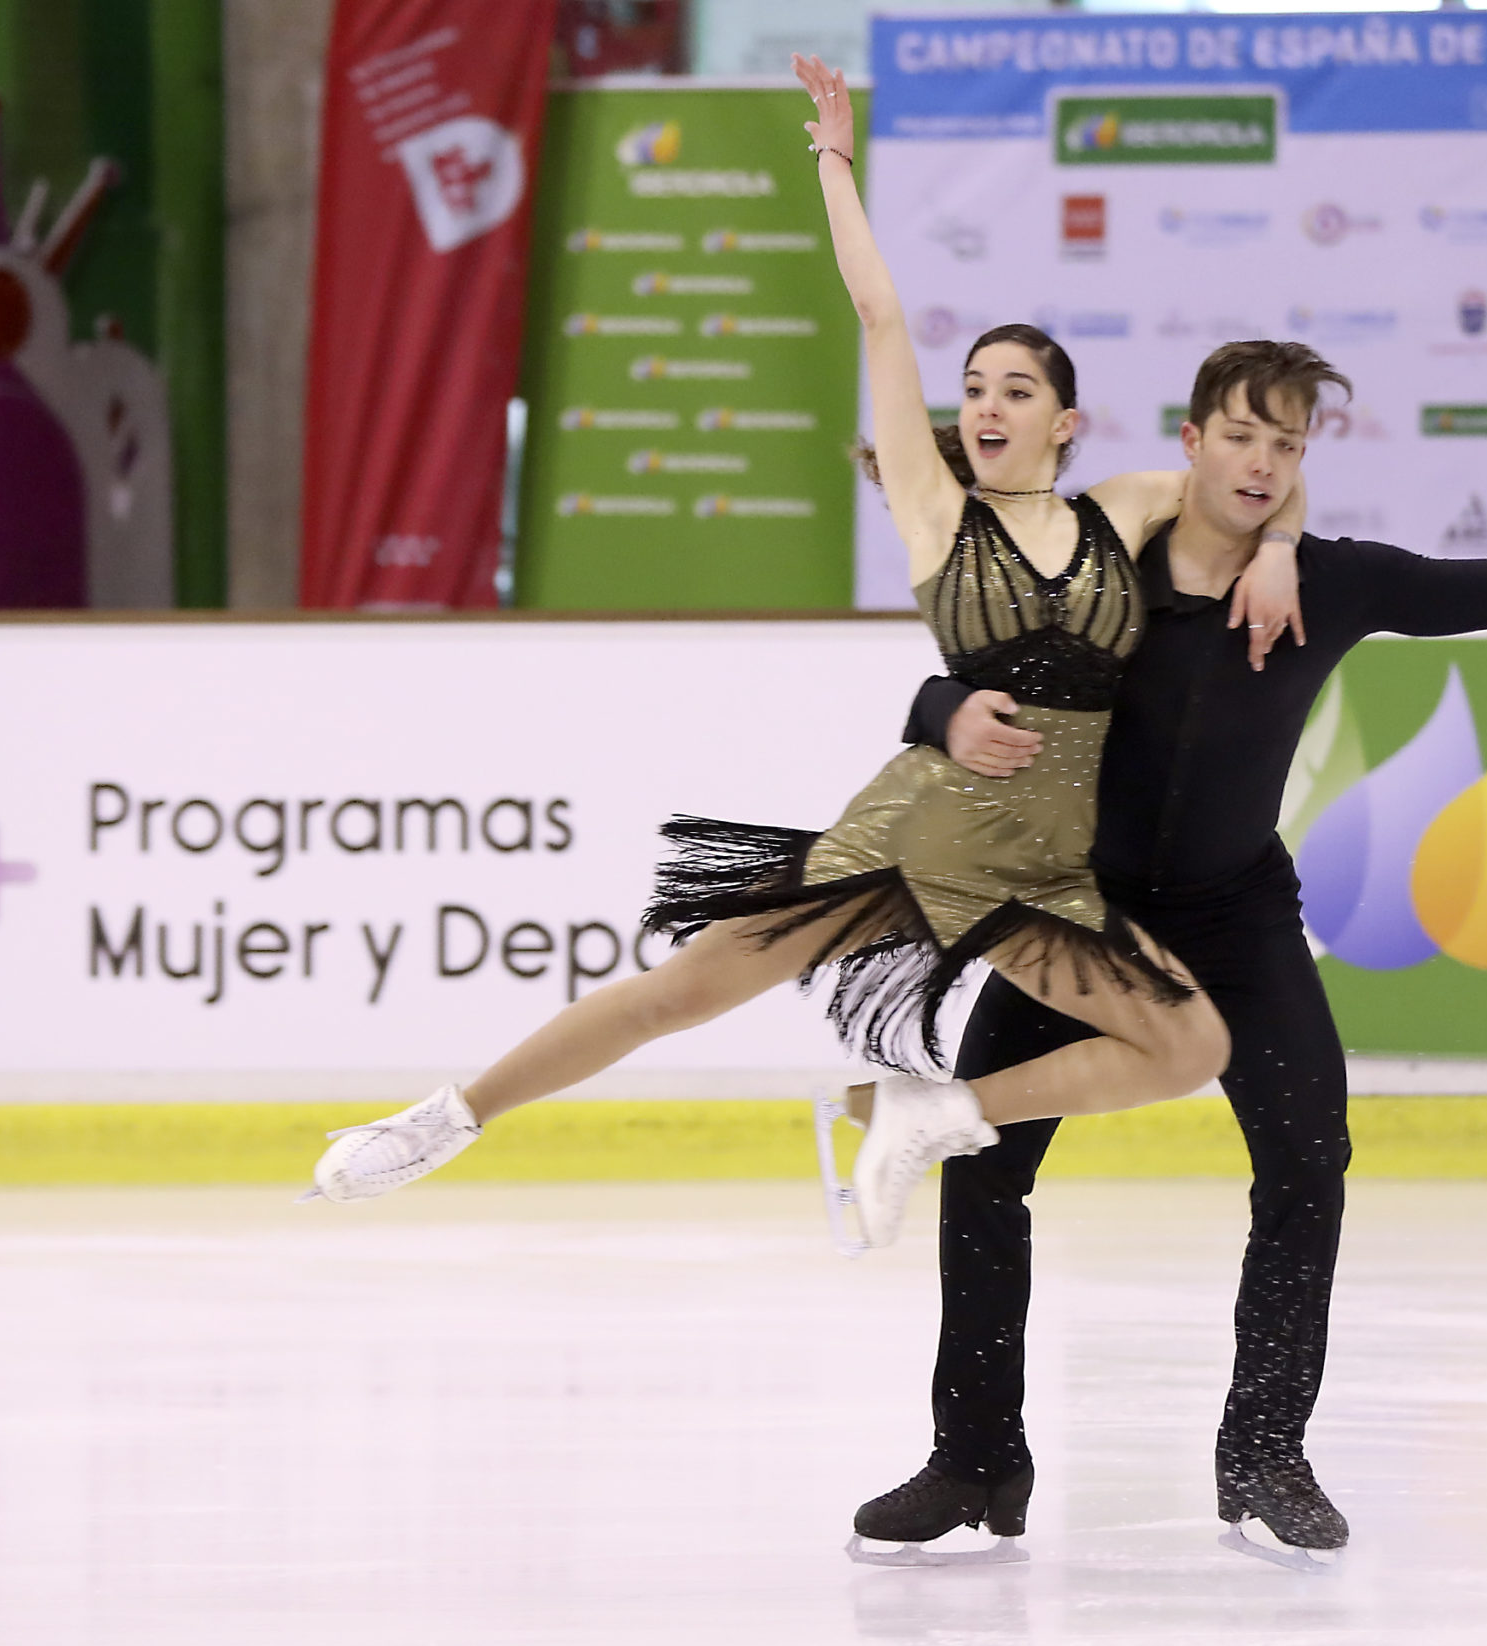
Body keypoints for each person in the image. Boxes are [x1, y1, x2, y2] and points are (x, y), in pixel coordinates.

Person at [852, 339, 1487, 1561]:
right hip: (1080, 913)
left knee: (1309, 1158)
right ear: (1192, 443)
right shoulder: (1098, 566)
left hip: (1236, 911)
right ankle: (974, 1458)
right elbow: (965, 664)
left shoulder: (1336, 582)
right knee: (984, 1161)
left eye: (1287, 446)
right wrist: (943, 709)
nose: (1262, 463)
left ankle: (1264, 1450)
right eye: (1243, 437)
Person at [304, 58, 1307, 1249]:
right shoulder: (939, 512)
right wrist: (833, 162)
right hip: (919, 835)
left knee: (1189, 1043)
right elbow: (880, 318)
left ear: (1065, 421)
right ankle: (450, 1115)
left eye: (1016, 388)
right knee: (682, 991)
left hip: (1041, 870)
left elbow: (1255, 480)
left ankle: (927, 1110)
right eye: (975, 384)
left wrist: (1284, 546)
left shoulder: (1126, 507)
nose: (986, 402)